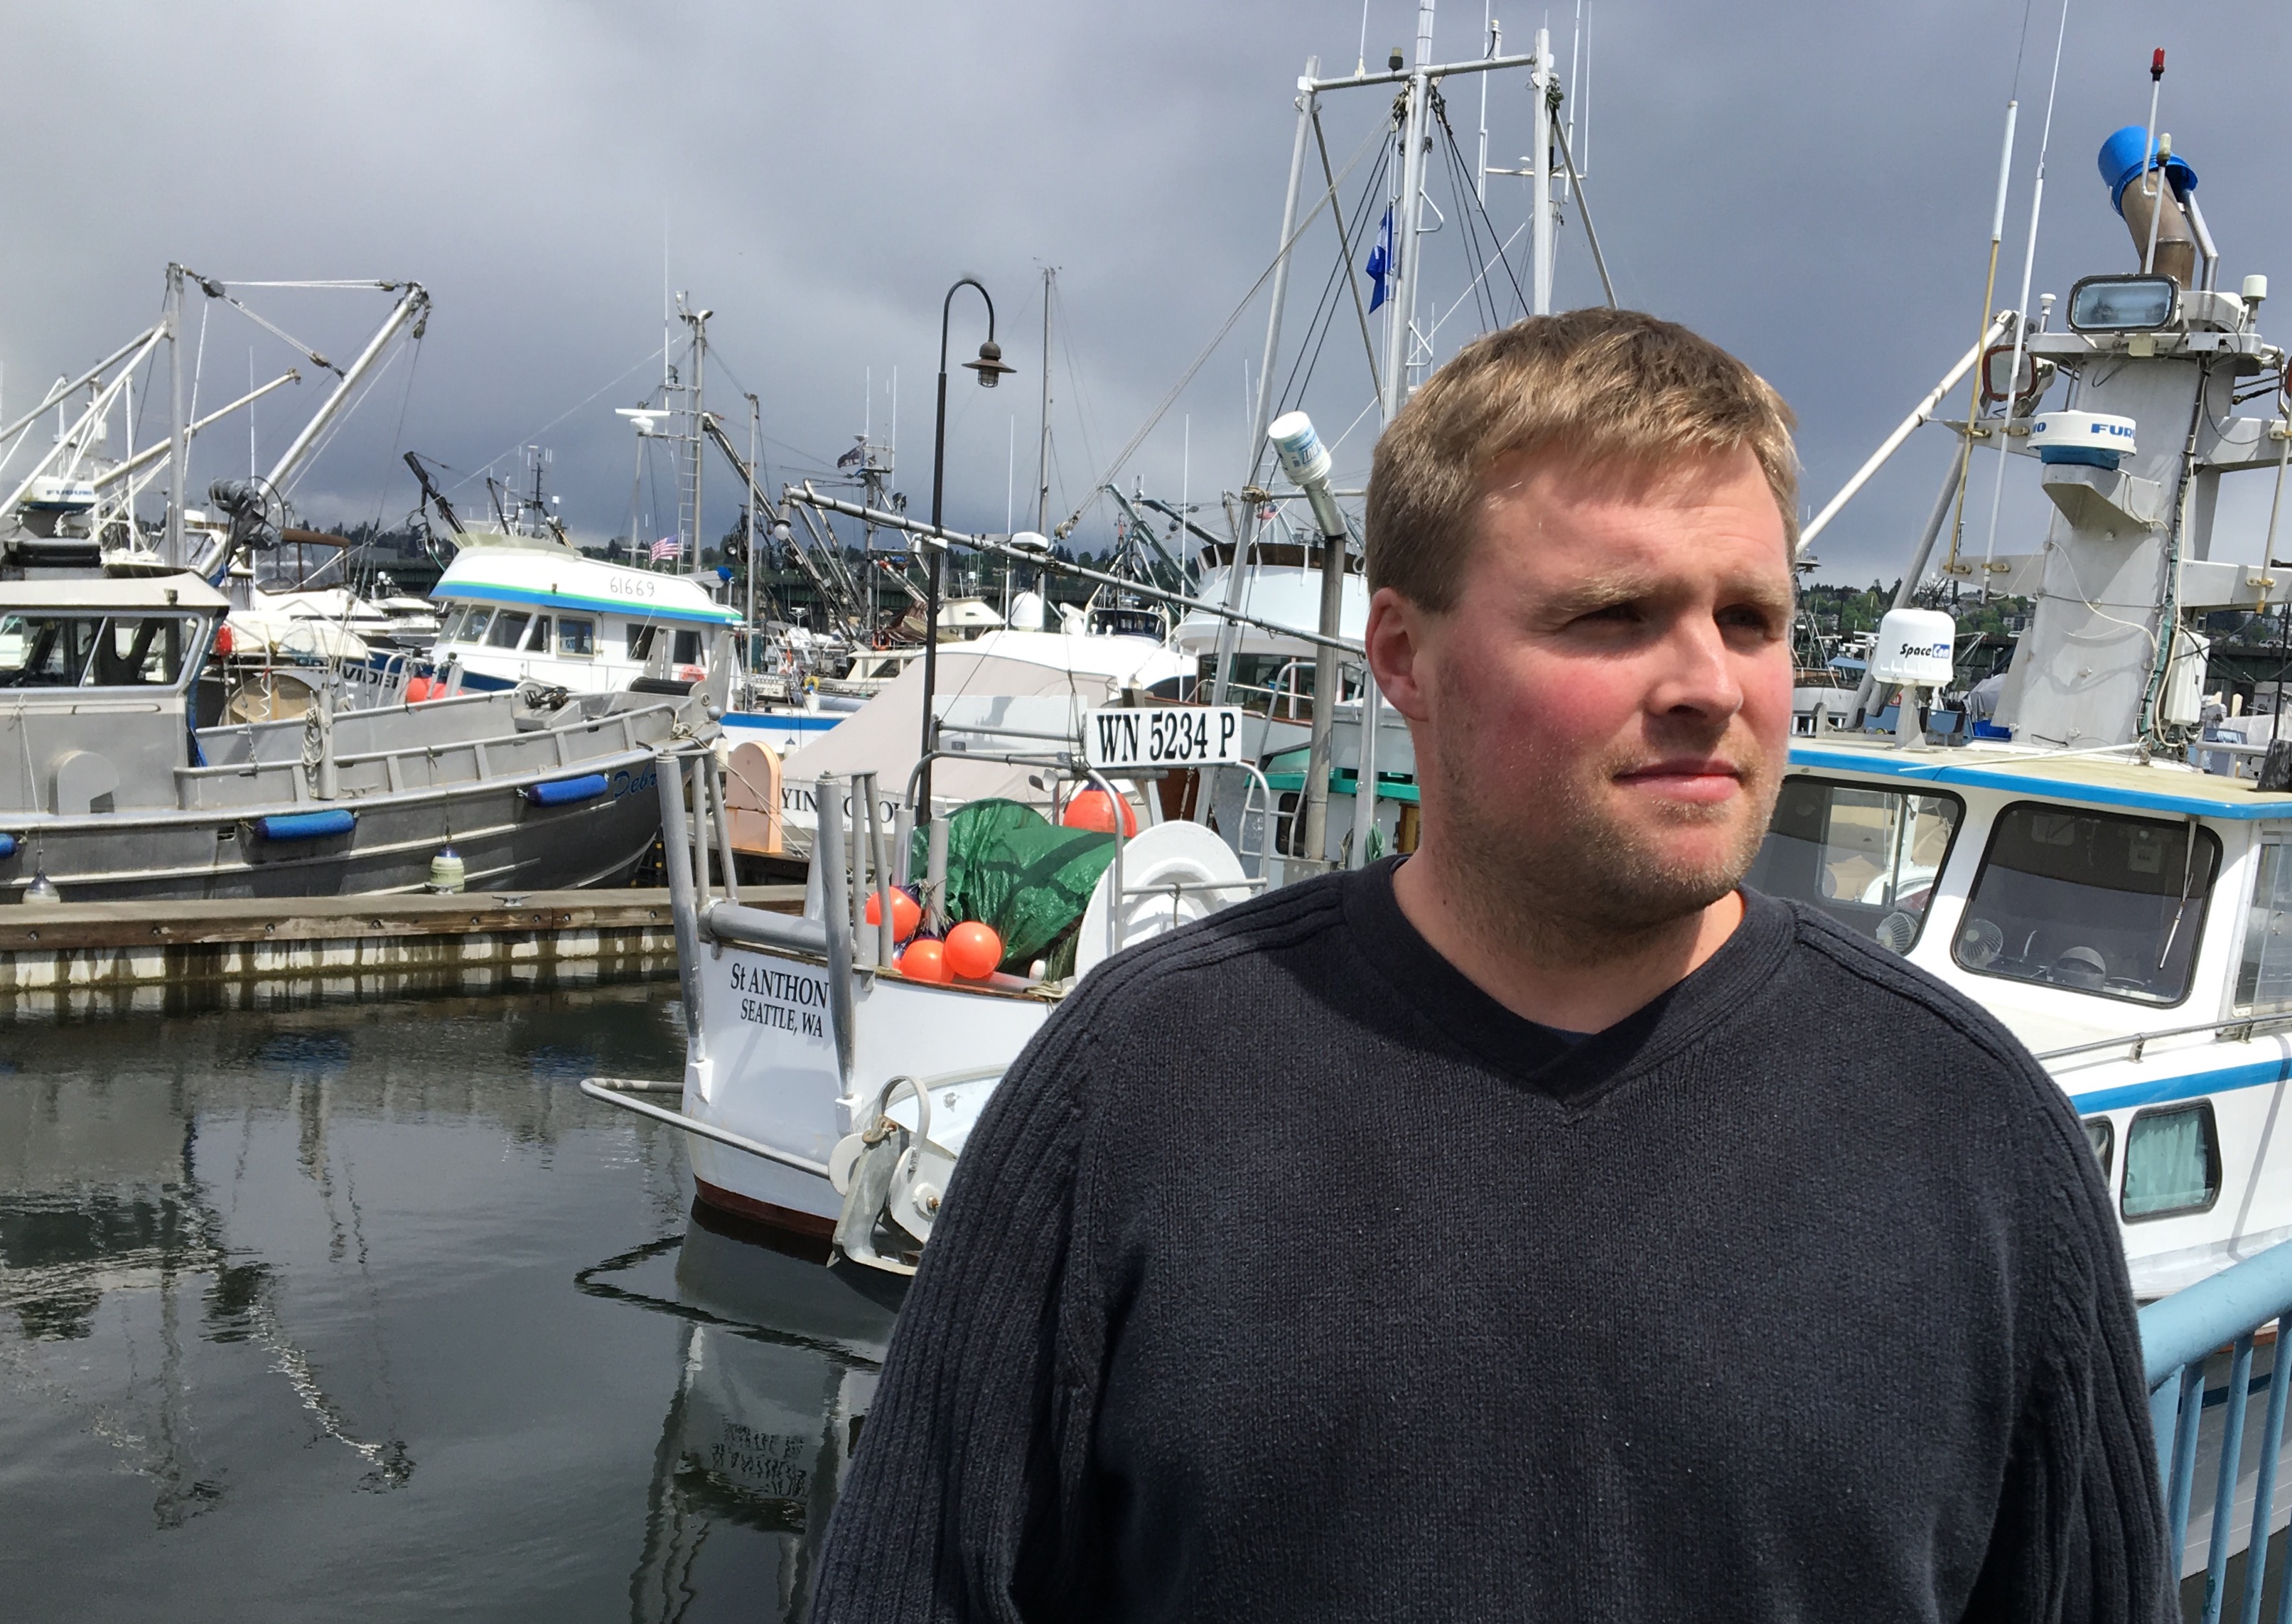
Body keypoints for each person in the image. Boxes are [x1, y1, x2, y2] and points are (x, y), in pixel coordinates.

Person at [809, 310, 2171, 1622]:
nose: (1709, 678)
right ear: (1404, 656)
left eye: (1751, 617)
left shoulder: (1976, 1136)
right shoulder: (1137, 1082)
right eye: (1612, 614)